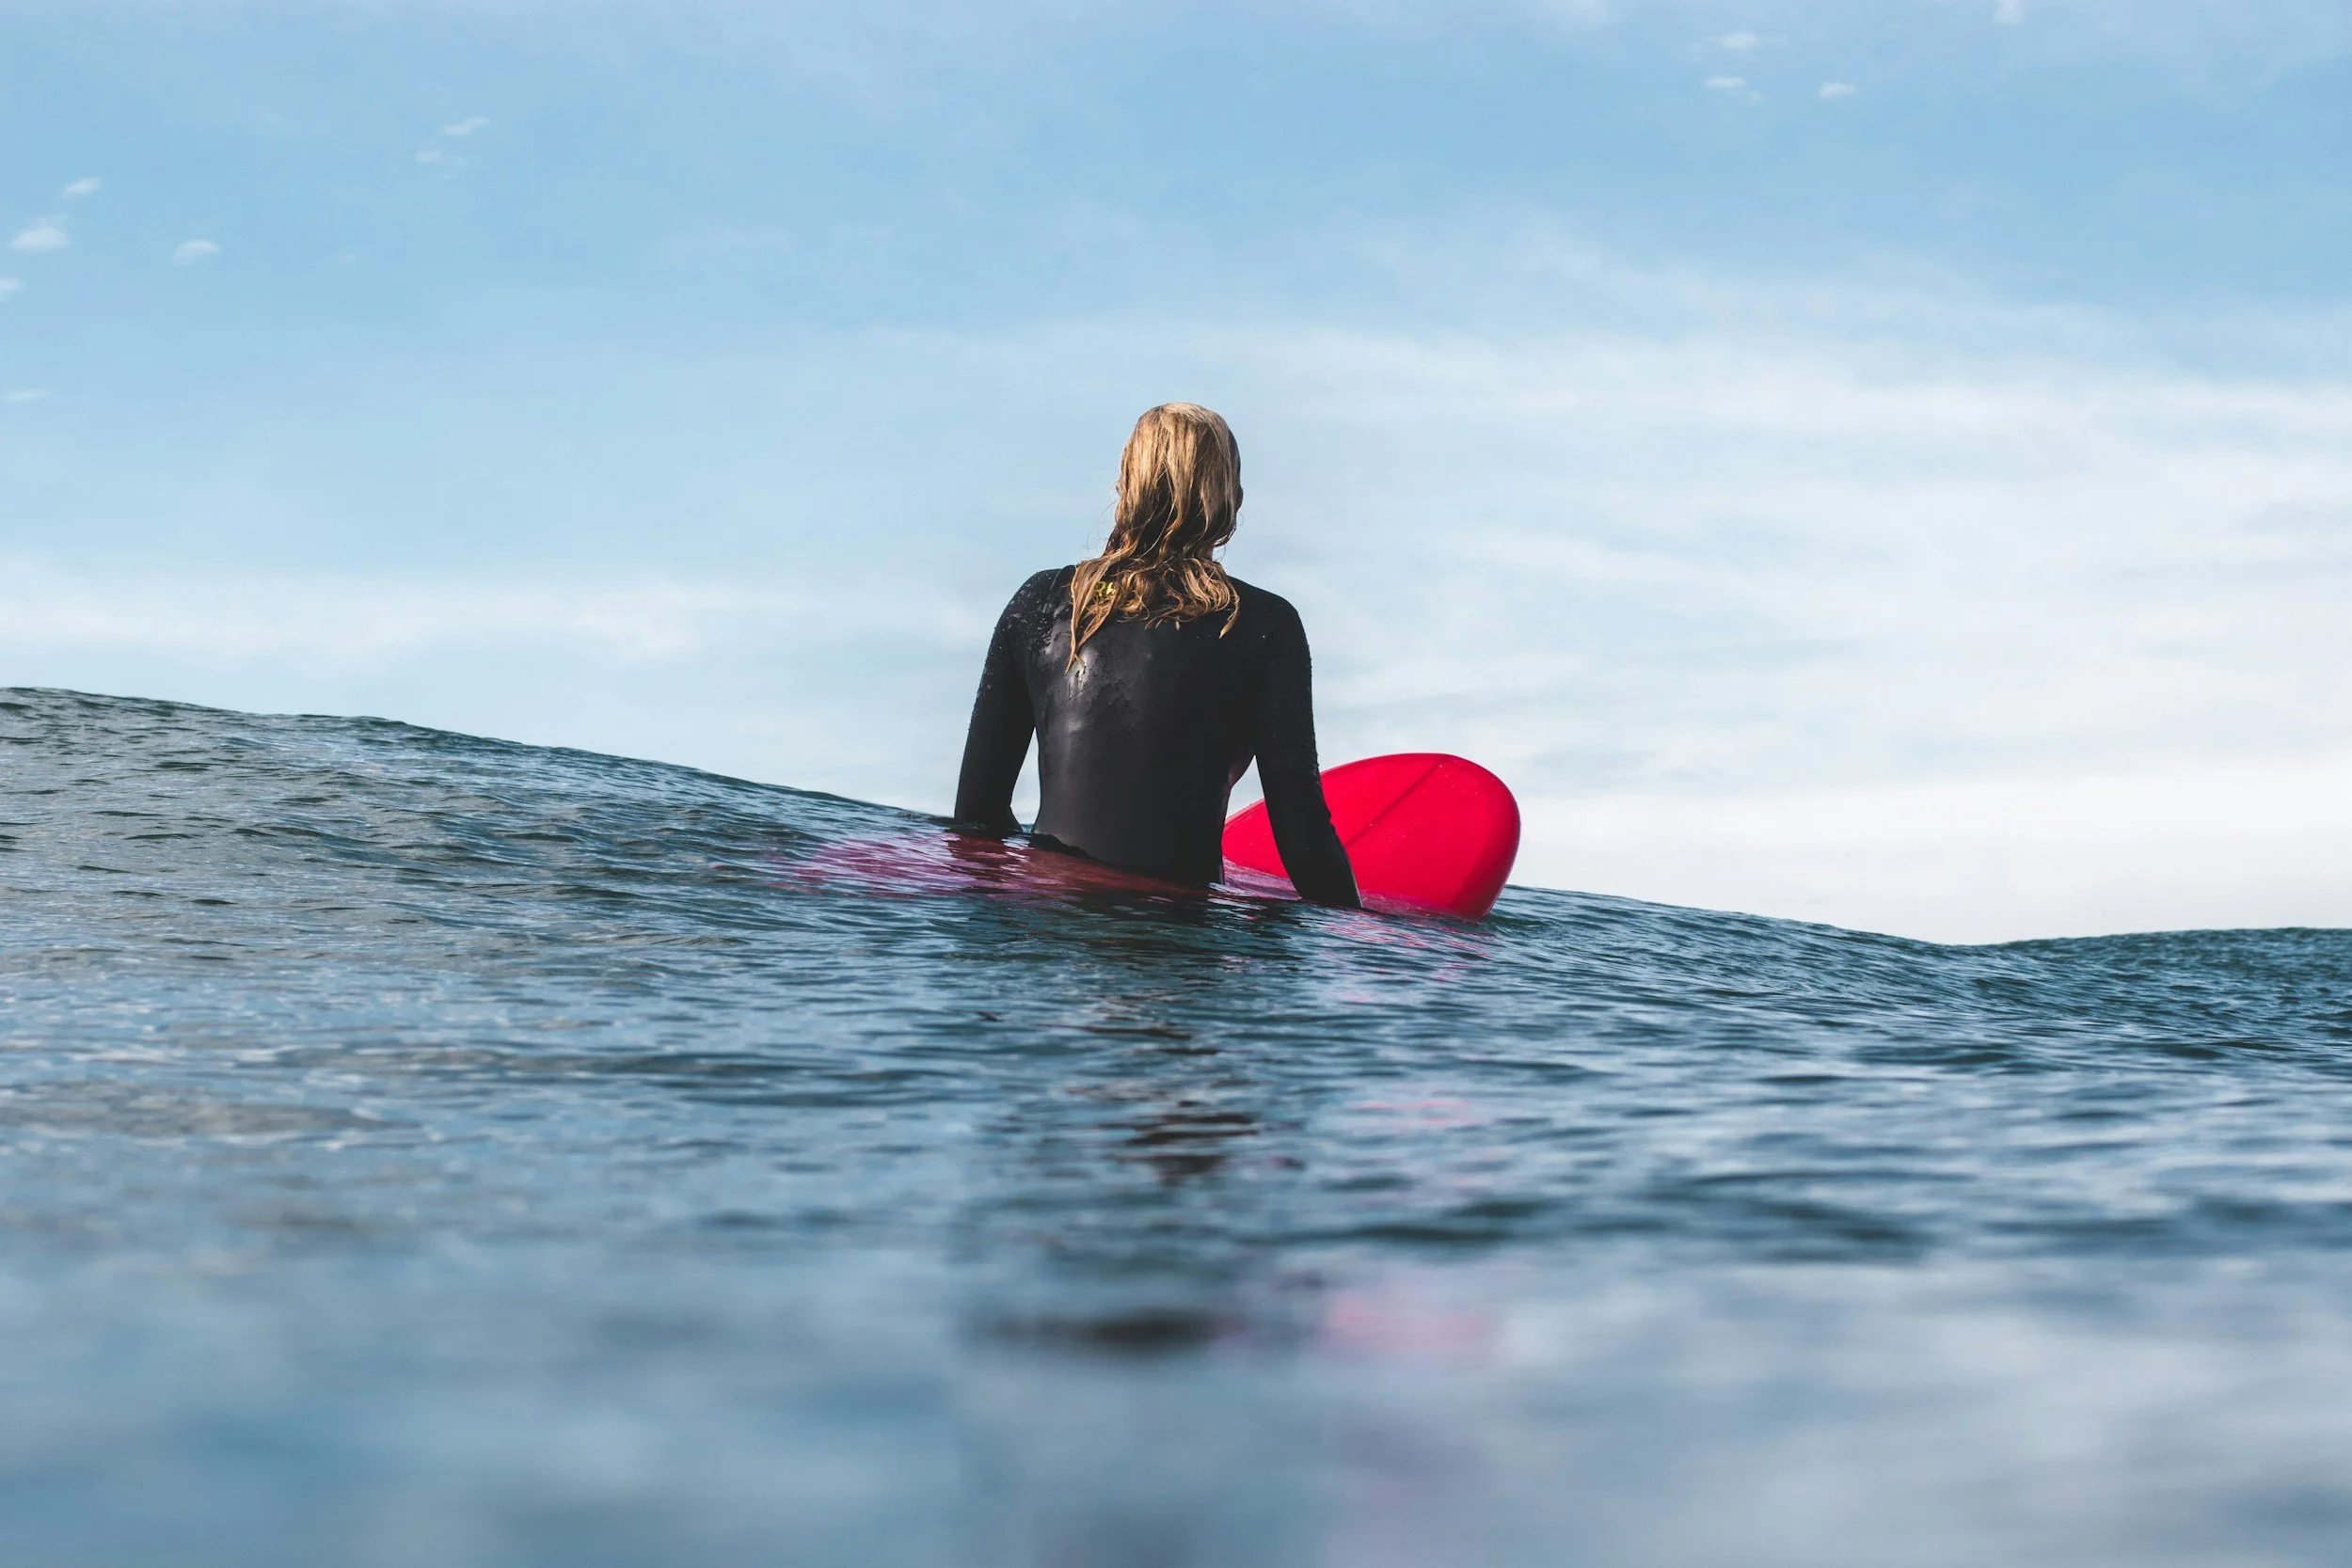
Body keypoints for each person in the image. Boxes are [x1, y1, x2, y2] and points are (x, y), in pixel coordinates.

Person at [952, 403, 1360, 908]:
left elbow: (976, 818)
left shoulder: (1040, 602)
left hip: (1049, 934)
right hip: (1179, 931)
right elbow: (1302, 839)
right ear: (1230, 499)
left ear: (1125, 485)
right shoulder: (1264, 625)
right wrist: (1372, 942)